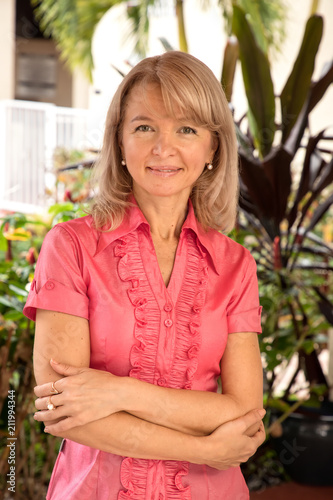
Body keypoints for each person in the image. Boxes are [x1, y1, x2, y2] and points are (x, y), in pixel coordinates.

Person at [24, 51, 265, 500]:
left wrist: (116, 392)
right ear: (119, 140)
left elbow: (244, 412)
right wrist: (207, 445)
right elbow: (64, 408)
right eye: (144, 127)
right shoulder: (71, 248)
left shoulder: (236, 266)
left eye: (187, 129)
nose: (162, 148)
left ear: (213, 148)